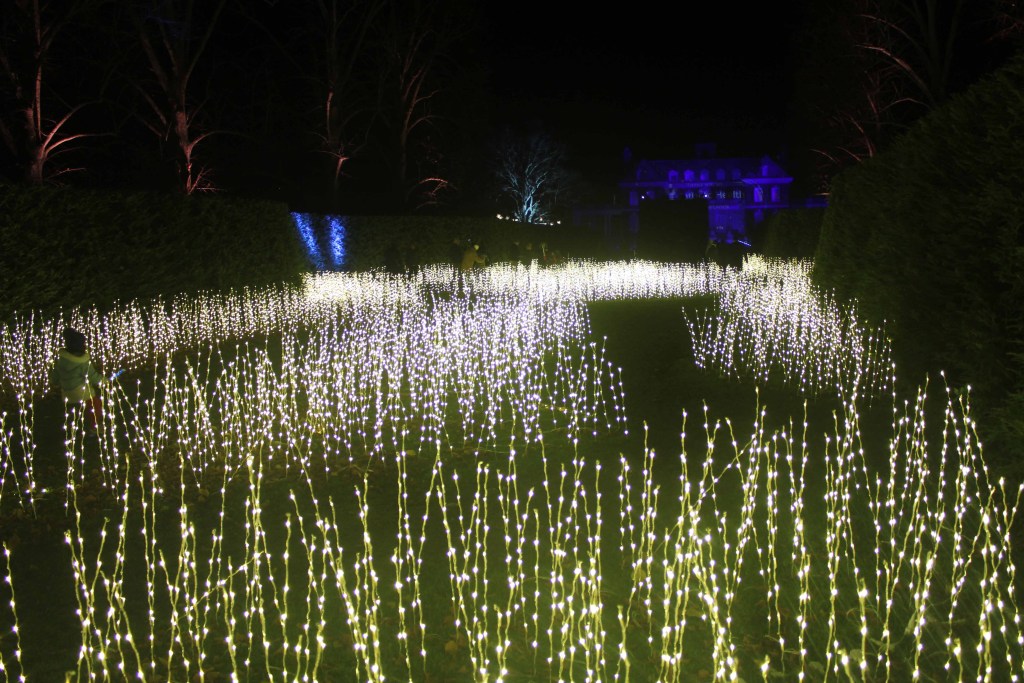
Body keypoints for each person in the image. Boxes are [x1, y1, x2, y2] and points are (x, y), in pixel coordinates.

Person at [50, 327, 105, 432]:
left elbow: (54, 377)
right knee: (95, 404)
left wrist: (55, 382)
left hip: (66, 393)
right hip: (81, 392)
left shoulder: (61, 361)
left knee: (78, 406)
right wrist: (104, 380)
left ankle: (74, 423)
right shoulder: (83, 362)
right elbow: (93, 377)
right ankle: (95, 426)